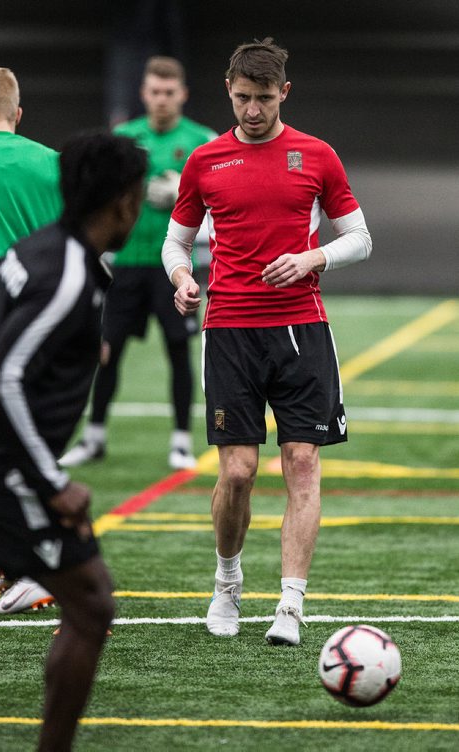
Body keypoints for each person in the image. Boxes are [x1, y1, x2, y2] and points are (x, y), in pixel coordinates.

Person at [162, 38, 372, 645]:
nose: (252, 111)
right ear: (228, 90)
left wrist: (312, 258)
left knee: (302, 462)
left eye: (263, 99)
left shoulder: (316, 155)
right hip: (229, 330)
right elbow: (176, 244)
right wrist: (182, 279)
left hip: (302, 329)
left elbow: (359, 237)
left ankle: (290, 604)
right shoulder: (203, 161)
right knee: (239, 473)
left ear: (284, 93)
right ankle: (228, 581)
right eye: (241, 98)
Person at [0, 131, 147, 751]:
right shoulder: (68, 272)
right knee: (91, 604)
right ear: (121, 202)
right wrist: (52, 482)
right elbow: (0, 379)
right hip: (2, 468)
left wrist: (63, 342)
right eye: (139, 197)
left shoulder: (42, 249)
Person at [59, 56, 217, 471]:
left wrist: (183, 187)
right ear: (144, 94)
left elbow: (221, 198)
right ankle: (94, 436)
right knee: (107, 351)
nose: (162, 99)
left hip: (175, 266)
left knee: (178, 350)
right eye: (155, 91)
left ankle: (181, 440)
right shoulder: (123, 138)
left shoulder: (203, 140)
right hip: (124, 264)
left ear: (182, 94)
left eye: (169, 92)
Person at [0, 64, 63, 613]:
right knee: (31, 449)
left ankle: (27, 569)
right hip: (52, 332)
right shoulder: (52, 163)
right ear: (18, 114)